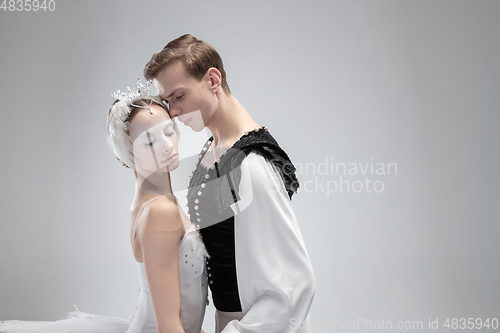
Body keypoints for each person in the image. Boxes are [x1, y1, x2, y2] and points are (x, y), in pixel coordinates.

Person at [0, 81, 208, 333]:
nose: (166, 145)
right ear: (128, 152)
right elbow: (168, 326)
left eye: (168, 131)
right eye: (150, 141)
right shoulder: (159, 211)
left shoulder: (152, 203)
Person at [144, 34, 315, 333]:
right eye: (167, 102)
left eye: (179, 96)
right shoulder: (215, 148)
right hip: (228, 322)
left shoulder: (250, 165)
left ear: (212, 79)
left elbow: (294, 284)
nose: (172, 112)